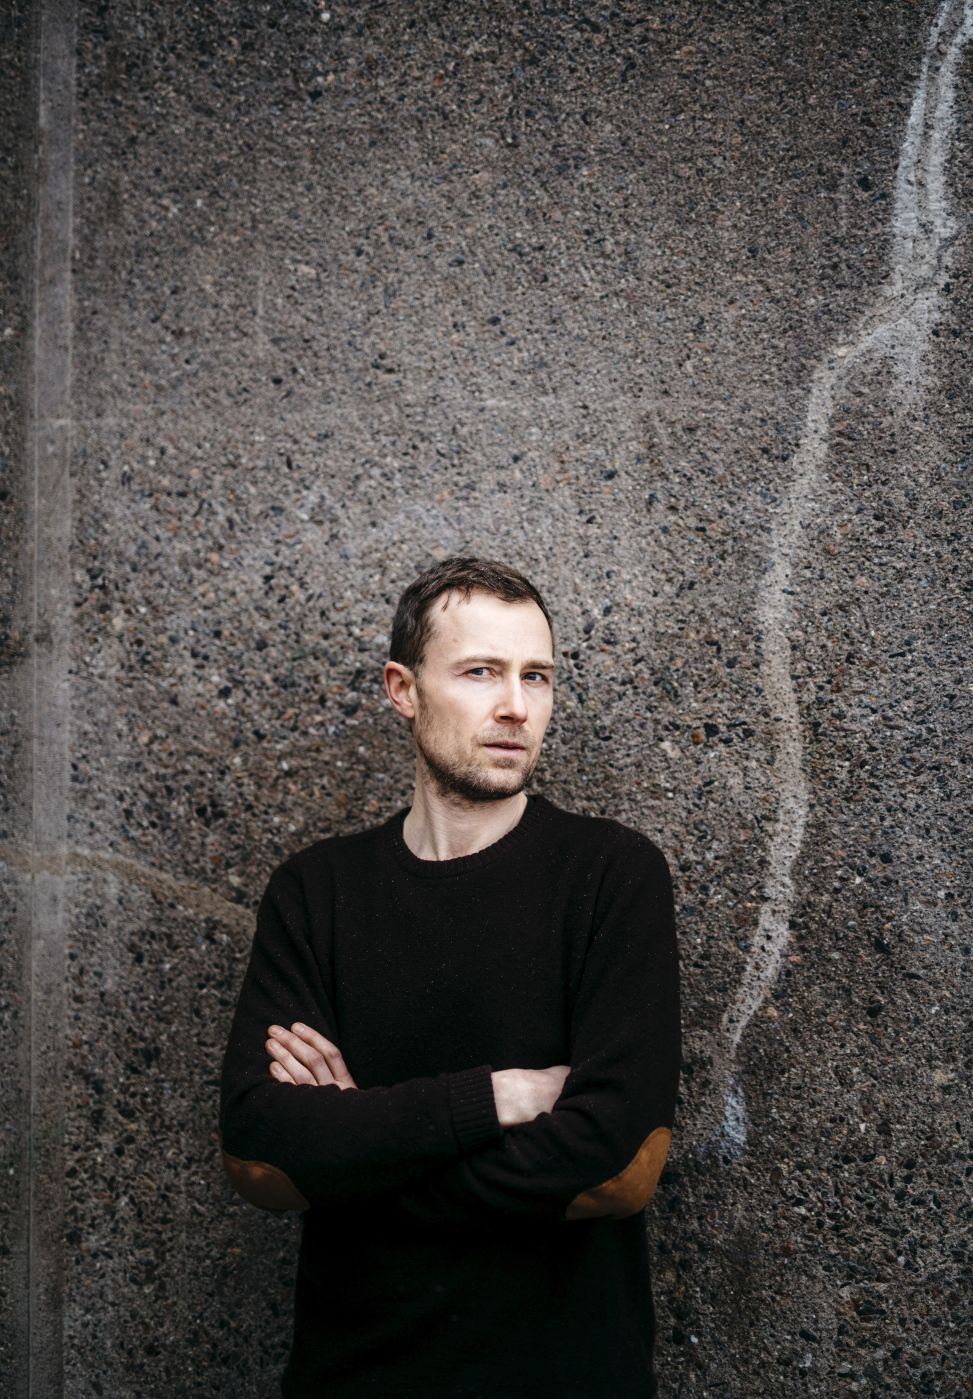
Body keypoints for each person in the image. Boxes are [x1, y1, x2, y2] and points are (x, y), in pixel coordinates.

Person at [218, 556, 681, 1398]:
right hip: (353, 1379)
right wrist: (493, 1098)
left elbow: (615, 1166)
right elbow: (262, 1157)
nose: (516, 706)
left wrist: (358, 1146)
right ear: (402, 689)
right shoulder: (317, 891)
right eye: (479, 672)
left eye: (535, 675)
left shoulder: (610, 875)